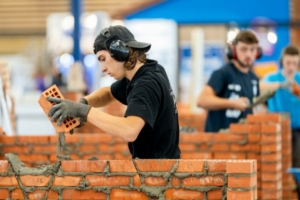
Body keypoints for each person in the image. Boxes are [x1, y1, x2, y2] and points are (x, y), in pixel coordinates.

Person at [46, 25, 181, 159]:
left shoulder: (145, 84)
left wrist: (84, 111)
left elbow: (129, 131)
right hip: (159, 167)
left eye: (103, 59)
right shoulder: (148, 71)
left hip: (159, 173)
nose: (102, 69)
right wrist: (83, 102)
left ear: (120, 52)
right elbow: (109, 93)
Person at [197, 30, 261, 132]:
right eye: (243, 49)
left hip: (242, 141)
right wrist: (233, 103)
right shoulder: (222, 73)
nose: (248, 54)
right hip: (219, 141)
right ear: (233, 50)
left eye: (252, 49)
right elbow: (202, 100)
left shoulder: (254, 78)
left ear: (258, 52)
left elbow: (253, 109)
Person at [260, 45, 300, 198]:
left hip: (297, 132)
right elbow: (259, 86)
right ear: (282, 61)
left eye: (294, 63)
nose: (291, 67)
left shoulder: (298, 79)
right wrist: (281, 85)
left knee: (296, 166)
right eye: (288, 63)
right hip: (276, 131)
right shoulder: (273, 77)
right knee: (277, 165)